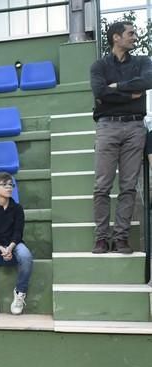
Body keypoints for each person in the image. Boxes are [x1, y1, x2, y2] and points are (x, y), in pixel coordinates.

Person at [90, 21, 152, 254]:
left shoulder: (143, 62)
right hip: (108, 127)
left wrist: (116, 87)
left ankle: (121, 238)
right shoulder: (99, 66)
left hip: (136, 127)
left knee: (128, 186)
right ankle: (102, 238)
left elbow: (148, 82)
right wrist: (131, 94)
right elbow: (99, 92)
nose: (135, 37)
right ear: (116, 37)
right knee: (102, 186)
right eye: (130, 33)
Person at [0, 172, 33, 315]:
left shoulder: (17, 209)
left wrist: (10, 247)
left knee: (26, 257)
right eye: (4, 185)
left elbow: (18, 232)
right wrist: (1, 248)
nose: (9, 188)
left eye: (11, 185)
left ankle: (20, 292)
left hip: (13, 243)